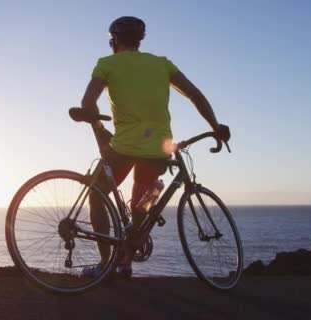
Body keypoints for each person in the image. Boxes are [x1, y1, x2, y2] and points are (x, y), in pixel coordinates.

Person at [80, 16, 230, 279]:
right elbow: (195, 94)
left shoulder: (107, 64)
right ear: (140, 40)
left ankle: (107, 265)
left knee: (97, 194)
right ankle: (126, 261)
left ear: (113, 41)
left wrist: (99, 130)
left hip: (124, 147)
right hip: (158, 148)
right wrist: (216, 126)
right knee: (140, 204)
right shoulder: (162, 64)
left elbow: (87, 103)